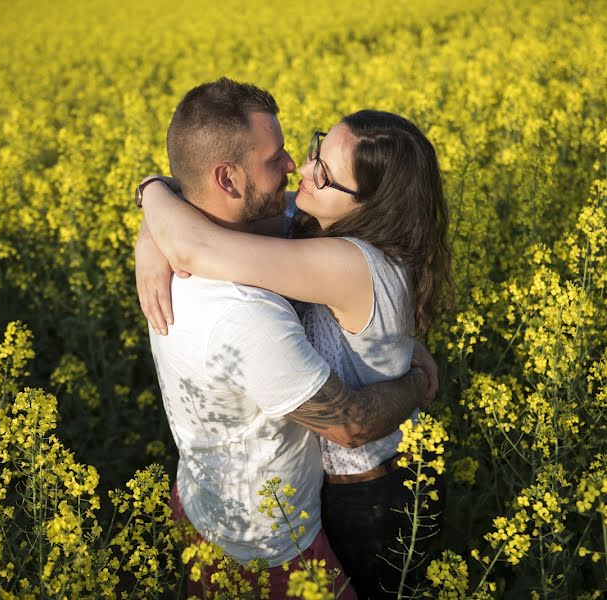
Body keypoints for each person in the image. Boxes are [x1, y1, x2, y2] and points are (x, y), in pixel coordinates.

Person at [133, 77, 437, 599]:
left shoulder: (344, 260)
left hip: (368, 491)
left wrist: (153, 199)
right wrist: (154, 197)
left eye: (324, 172)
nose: (300, 167)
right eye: (314, 151)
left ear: (370, 205)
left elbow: (191, 243)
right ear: (228, 179)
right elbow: (192, 239)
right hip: (284, 515)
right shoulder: (309, 237)